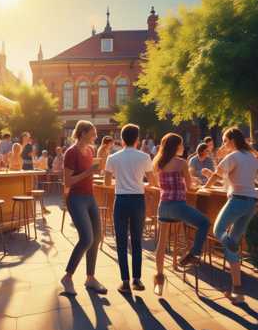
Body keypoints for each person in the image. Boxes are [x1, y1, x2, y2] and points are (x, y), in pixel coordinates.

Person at [204, 127, 258, 304]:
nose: (223, 144)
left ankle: (232, 248)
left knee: (218, 229)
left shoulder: (233, 156)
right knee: (231, 242)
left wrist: (206, 186)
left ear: (232, 140)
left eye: (225, 141)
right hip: (252, 203)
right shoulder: (251, 156)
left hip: (237, 200)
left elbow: (215, 175)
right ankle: (237, 289)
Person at [153, 133, 210, 295]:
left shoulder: (158, 163)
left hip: (163, 206)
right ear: (176, 146)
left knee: (161, 243)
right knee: (204, 223)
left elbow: (160, 185)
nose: (183, 147)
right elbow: (190, 187)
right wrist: (195, 182)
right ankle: (193, 253)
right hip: (178, 206)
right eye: (181, 144)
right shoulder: (181, 163)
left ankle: (159, 278)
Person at [105, 124, 156, 294]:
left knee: (121, 241)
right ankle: (137, 280)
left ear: (121, 138)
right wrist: (139, 184)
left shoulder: (113, 158)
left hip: (120, 201)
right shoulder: (144, 157)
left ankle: (125, 281)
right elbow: (152, 182)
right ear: (137, 139)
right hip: (137, 201)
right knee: (136, 240)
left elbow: (106, 183)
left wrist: (120, 182)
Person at [61, 120, 107, 296]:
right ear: (83, 133)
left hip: (90, 197)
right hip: (76, 199)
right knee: (87, 238)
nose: (96, 136)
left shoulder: (90, 151)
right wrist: (89, 172)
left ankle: (90, 278)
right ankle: (68, 277)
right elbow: (68, 181)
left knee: (97, 237)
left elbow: (89, 175)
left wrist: (97, 171)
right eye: (93, 132)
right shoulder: (71, 153)